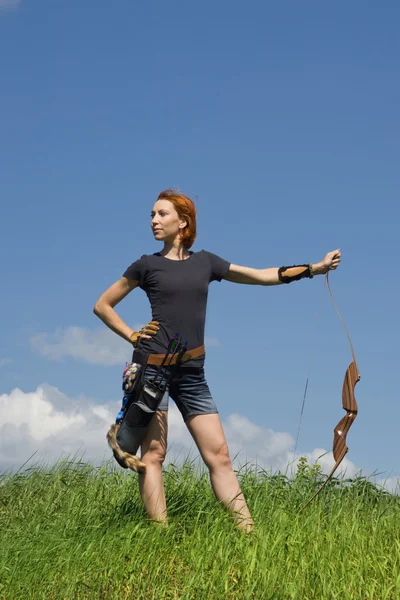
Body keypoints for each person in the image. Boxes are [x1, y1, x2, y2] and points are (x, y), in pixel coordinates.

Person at [93, 189, 341, 533]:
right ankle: (160, 538)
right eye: (151, 215)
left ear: (183, 222)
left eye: (161, 214)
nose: (153, 220)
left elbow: (260, 275)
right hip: (152, 370)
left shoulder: (205, 262)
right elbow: (102, 305)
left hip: (192, 372)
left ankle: (249, 533)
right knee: (154, 455)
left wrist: (315, 268)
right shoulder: (145, 265)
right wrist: (133, 336)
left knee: (219, 456)